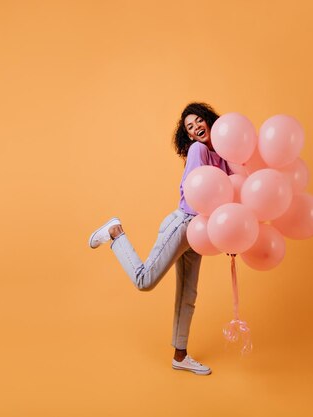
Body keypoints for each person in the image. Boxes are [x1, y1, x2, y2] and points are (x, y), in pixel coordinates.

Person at [88, 102, 231, 376]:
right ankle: (116, 233)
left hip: (200, 233)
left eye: (198, 121)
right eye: (189, 127)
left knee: (188, 296)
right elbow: (195, 193)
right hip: (185, 223)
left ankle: (180, 356)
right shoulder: (198, 150)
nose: (196, 128)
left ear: (209, 120)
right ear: (188, 136)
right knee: (145, 281)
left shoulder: (223, 155)